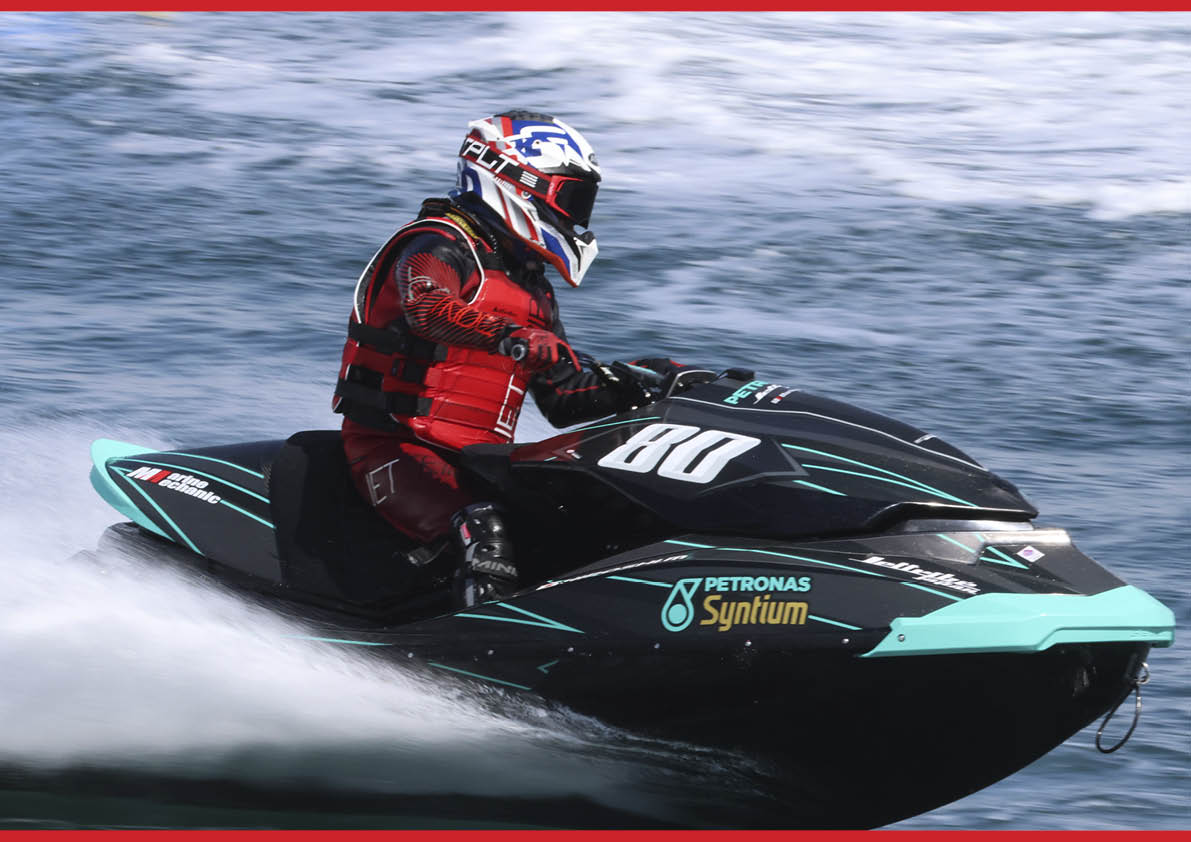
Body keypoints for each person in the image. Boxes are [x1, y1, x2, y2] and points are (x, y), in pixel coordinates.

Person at [331, 111, 658, 608]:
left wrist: (649, 382)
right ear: (515, 180)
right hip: (392, 449)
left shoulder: (532, 288)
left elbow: (565, 397)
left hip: (479, 462)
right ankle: (471, 645)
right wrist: (508, 336)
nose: (576, 217)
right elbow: (426, 307)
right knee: (486, 529)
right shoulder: (436, 243)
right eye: (570, 199)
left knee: (590, 518)